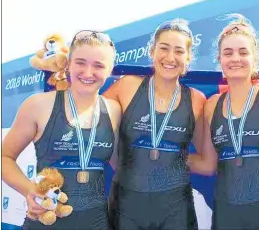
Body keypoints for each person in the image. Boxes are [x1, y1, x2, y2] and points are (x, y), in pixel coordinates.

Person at [2, 30, 122, 230]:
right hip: (46, 221)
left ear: (109, 70)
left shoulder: (114, 110)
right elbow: (4, 157)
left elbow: (122, 166)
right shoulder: (38, 105)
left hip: (97, 223)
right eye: (80, 62)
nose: (88, 72)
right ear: (68, 63)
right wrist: (30, 191)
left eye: (98, 65)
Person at [188, 14, 259, 230]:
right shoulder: (212, 105)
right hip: (226, 214)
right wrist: (165, 158)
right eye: (228, 53)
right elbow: (208, 165)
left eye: (243, 52)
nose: (235, 58)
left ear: (255, 58)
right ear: (219, 59)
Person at [104, 18, 206, 230]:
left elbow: (207, 163)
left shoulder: (196, 100)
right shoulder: (127, 87)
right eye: (164, 48)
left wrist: (171, 157)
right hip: (126, 206)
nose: (170, 57)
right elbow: (89, 122)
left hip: (175, 210)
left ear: (188, 58)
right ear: (152, 51)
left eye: (179, 51)